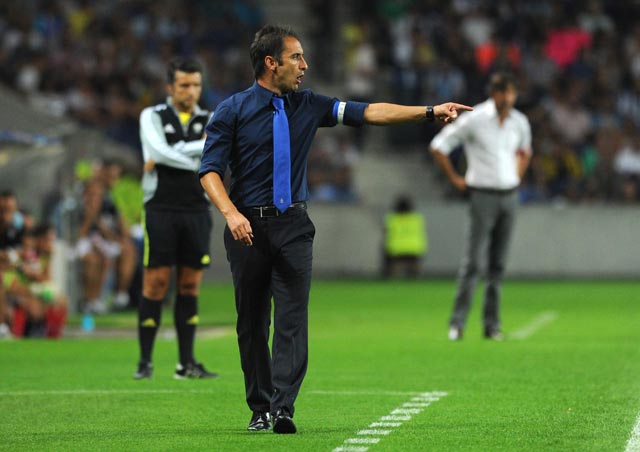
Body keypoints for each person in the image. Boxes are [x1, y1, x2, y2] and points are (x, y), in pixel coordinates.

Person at [199, 24, 471, 434]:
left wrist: (430, 111)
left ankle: (283, 407)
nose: (304, 65)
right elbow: (209, 171)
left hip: (294, 226)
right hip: (247, 228)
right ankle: (259, 407)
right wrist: (231, 214)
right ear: (271, 63)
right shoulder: (232, 110)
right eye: (296, 57)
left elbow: (370, 112)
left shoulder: (309, 104)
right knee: (252, 323)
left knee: (292, 319)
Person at [429, 72, 532, 341]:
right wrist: (455, 179)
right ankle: (457, 323)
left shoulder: (519, 122)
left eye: (511, 93)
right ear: (494, 93)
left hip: (509, 195)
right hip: (482, 194)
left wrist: (516, 177)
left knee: (498, 264)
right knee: (472, 262)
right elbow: (439, 146)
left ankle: (491, 325)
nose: (507, 98)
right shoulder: (475, 119)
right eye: (503, 93)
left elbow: (525, 152)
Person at [134, 56, 217, 380]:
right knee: (156, 282)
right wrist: (199, 151)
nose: (190, 91)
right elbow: (158, 153)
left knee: (190, 284)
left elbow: (215, 155)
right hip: (161, 207)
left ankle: (187, 363)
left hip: (197, 208)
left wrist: (170, 154)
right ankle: (145, 362)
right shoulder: (152, 115)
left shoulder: (212, 118)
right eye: (184, 85)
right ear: (170, 87)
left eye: (196, 85)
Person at [383, 195, 428, 278]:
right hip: (414, 249)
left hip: (396, 250)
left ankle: (389, 277)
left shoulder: (392, 219)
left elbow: (386, 234)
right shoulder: (417, 218)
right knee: (415, 273)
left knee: (392, 271)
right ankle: (416, 279)